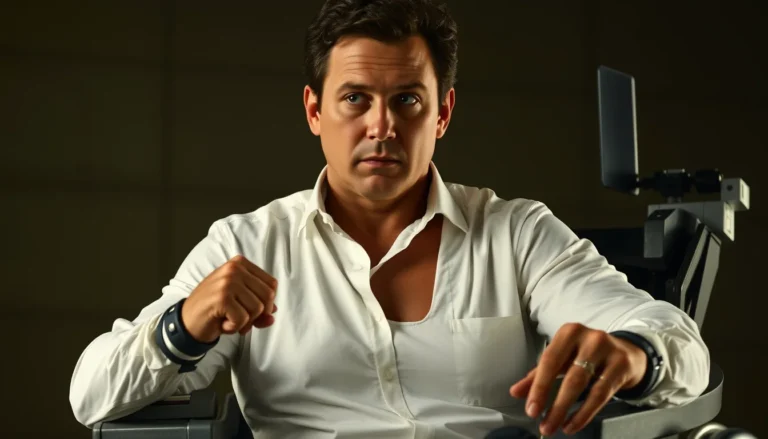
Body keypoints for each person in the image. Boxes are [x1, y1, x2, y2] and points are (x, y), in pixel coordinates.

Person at [69, 0, 709, 437]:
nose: (382, 126)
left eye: (407, 100)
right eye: (355, 98)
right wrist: (181, 328)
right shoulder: (248, 245)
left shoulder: (516, 235)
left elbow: (679, 345)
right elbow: (90, 393)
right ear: (315, 111)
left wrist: (636, 355)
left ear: (442, 113)